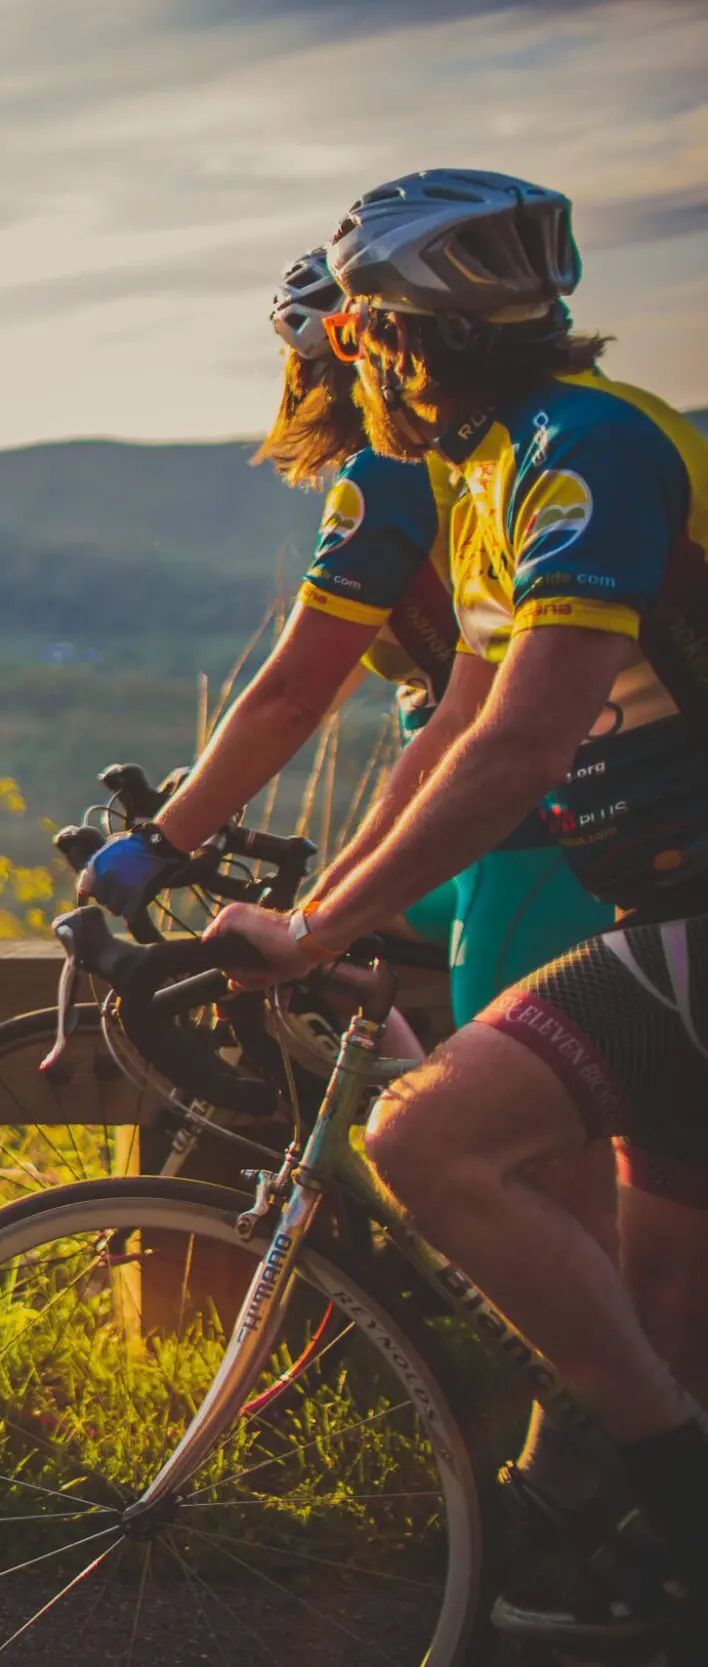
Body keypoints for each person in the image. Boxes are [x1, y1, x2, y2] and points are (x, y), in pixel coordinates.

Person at [205, 169, 708, 1646]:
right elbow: (447, 733)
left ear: (416, 335)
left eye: (360, 333)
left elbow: (524, 740)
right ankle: (635, 1553)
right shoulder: (501, 470)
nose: (349, 364)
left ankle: (667, 1511)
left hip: (693, 912)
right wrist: (339, 913)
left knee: (428, 1130)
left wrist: (311, 930)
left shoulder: (588, 451)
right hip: (668, 908)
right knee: (664, 1293)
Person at [80, 247, 611, 1021]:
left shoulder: (390, 477)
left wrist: (165, 838)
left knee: (502, 1127)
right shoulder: (477, 458)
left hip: (527, 822)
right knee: (353, 938)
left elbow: (294, 695)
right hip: (525, 797)